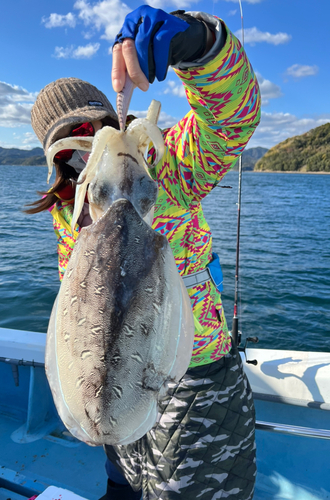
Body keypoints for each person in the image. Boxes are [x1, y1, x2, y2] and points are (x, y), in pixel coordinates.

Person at [29, 5, 261, 500]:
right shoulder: (69, 210)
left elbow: (231, 121)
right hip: (110, 382)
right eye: (68, 153)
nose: (87, 162)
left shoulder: (168, 169)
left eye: (94, 134)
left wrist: (200, 46)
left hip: (196, 388)